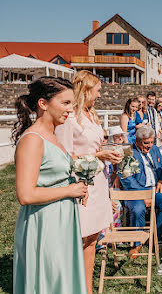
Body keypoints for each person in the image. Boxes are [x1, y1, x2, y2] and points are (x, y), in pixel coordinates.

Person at [12, 77, 88, 294]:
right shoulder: (33, 140)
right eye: (65, 103)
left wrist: (77, 186)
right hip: (44, 223)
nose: (70, 110)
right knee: (49, 281)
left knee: (63, 280)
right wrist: (69, 190)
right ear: (43, 104)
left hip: (62, 219)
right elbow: (25, 194)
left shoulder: (52, 135)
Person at [55, 70, 122, 294]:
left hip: (98, 183)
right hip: (81, 185)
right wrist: (99, 156)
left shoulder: (91, 114)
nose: (100, 95)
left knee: (93, 239)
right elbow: (65, 157)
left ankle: (88, 289)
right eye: (98, 91)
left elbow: (93, 148)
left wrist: (106, 152)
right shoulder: (69, 118)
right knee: (79, 240)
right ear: (85, 90)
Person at [119, 126, 162, 258]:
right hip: (134, 191)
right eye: (146, 143)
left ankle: (154, 237)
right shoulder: (128, 152)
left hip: (154, 189)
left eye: (151, 142)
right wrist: (142, 194)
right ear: (137, 141)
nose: (149, 146)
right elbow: (127, 179)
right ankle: (137, 244)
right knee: (138, 209)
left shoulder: (154, 150)